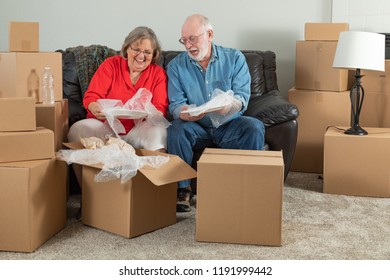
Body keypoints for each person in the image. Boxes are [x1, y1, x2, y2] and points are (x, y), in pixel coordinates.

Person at [167, 14, 265, 212]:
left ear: (209, 34)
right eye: (184, 40)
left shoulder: (234, 58)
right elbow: (176, 104)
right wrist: (184, 113)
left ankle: (249, 185)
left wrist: (229, 105)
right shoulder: (176, 66)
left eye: (192, 39)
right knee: (176, 129)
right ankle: (183, 190)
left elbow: (241, 98)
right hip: (197, 127)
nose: (188, 45)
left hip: (229, 125)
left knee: (254, 127)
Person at [67, 26, 168, 218]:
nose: (141, 56)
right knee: (76, 130)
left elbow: (160, 108)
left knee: (159, 131)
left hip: (139, 128)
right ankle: (89, 198)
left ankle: (150, 197)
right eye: (136, 49)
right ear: (127, 48)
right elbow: (92, 96)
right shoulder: (111, 65)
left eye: (147, 52)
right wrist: (95, 106)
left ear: (154, 55)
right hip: (107, 127)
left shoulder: (157, 74)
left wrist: (146, 113)